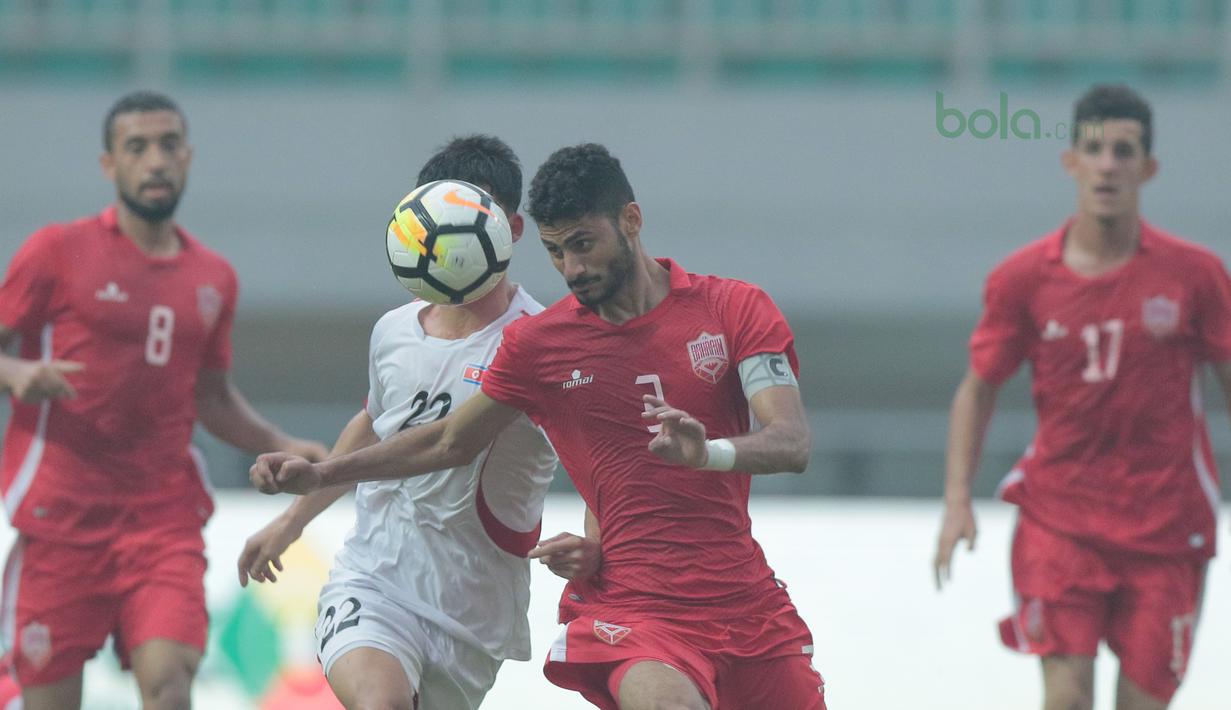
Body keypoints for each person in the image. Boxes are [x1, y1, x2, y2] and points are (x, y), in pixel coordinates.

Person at [251, 143, 826, 710]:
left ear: (631, 220)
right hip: (630, 611)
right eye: (556, 252)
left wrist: (709, 454)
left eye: (582, 245)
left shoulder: (734, 309)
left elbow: (791, 442)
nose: (572, 268)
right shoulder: (538, 345)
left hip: (741, 604)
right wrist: (321, 477)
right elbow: (447, 439)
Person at [0, 91, 329, 710]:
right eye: (137, 147)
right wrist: (15, 371)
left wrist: (281, 444)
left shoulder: (212, 278)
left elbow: (209, 395)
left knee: (168, 682)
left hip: (162, 522)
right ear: (109, 165)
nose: (156, 160)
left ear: (189, 156)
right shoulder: (56, 252)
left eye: (169, 145)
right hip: (60, 524)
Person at [236, 135, 584, 710]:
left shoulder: (541, 344)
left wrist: (597, 549)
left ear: (512, 231)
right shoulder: (394, 330)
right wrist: (293, 522)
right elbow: (375, 423)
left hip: (472, 615)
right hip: (373, 580)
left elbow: (595, 458)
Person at [933, 84, 1231, 710]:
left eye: (1124, 151)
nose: (1107, 165)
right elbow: (978, 388)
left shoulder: (1195, 274)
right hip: (1059, 521)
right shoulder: (1023, 278)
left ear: (1147, 169)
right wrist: (957, 500)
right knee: (1065, 697)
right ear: (1071, 162)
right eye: (1094, 150)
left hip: (1167, 528)